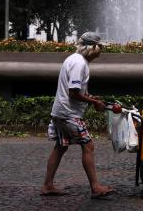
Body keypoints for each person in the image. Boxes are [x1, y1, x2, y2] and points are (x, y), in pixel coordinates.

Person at [41, 32, 114, 199]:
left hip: (60, 112)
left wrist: (90, 97)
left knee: (60, 147)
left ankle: (47, 185)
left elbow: (76, 90)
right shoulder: (79, 63)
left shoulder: (73, 59)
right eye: (99, 47)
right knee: (88, 146)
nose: (100, 51)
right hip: (69, 114)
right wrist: (93, 102)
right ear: (92, 47)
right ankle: (95, 187)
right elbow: (73, 92)